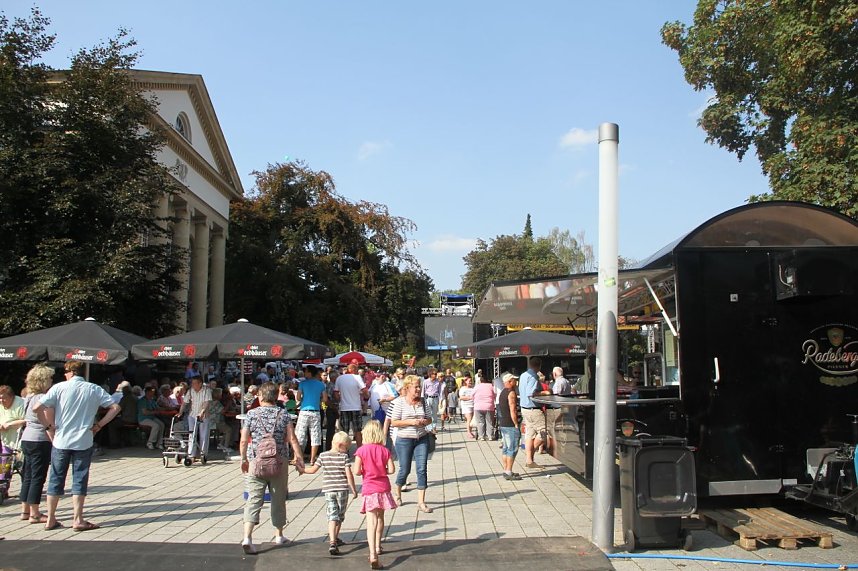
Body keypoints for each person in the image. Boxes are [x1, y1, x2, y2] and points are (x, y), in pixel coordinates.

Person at [32, 360, 121, 532]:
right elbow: (115, 407)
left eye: (65, 371)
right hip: (83, 439)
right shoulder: (93, 389)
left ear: (71, 372)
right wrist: (99, 425)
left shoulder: (59, 388)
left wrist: (49, 426)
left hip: (61, 440)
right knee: (79, 478)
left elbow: (37, 408)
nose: (64, 374)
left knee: (56, 478)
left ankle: (50, 518)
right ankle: (78, 518)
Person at [239, 382, 305, 554]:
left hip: (256, 462)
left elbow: (244, 439)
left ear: (260, 396)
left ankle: (247, 537)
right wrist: (298, 458)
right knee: (278, 499)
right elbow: (292, 439)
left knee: (253, 499)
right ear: (276, 396)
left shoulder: (251, 414)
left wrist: (243, 458)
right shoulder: (283, 414)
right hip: (279, 462)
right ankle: (278, 534)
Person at [304, 431, 358, 556]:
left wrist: (302, 469)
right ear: (340, 445)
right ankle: (335, 538)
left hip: (328, 490)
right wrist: (353, 489)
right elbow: (349, 475)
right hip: (342, 490)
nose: (346, 451)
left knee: (332, 515)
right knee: (340, 515)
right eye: (346, 448)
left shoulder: (323, 455)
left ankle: (332, 541)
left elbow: (313, 470)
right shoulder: (344, 457)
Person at [353, 420, 397, 570]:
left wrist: (366, 470)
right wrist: (382, 468)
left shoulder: (361, 451)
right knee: (380, 518)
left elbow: (357, 471)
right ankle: (378, 545)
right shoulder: (385, 450)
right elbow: (391, 470)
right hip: (383, 488)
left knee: (370, 521)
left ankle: (372, 554)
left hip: (369, 488)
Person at [388, 375, 433, 513]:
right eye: (416, 387)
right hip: (404, 439)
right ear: (407, 388)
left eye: (420, 386)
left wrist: (425, 422)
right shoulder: (399, 402)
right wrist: (411, 422)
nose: (419, 389)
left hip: (422, 438)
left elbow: (430, 418)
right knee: (405, 469)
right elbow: (394, 422)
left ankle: (421, 502)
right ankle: (398, 492)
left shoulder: (423, 402)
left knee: (421, 468)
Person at [18, 365, 53, 522]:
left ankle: (25, 511)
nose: (52, 381)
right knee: (38, 476)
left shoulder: (28, 396)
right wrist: (51, 428)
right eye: (50, 378)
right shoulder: (41, 398)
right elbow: (45, 418)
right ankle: (35, 513)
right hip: (39, 439)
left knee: (28, 475)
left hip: (27, 438)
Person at [295, 364, 327, 465]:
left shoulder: (302, 384)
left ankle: (297, 458)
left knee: (300, 435)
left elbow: (298, 398)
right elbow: (325, 399)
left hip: (304, 411)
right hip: (316, 412)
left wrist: (304, 398)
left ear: (309, 372)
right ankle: (313, 459)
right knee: (315, 435)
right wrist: (318, 400)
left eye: (305, 371)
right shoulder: (321, 384)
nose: (304, 373)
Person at [519, 356, 546, 469]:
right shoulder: (533, 376)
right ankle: (530, 454)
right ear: (539, 366)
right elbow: (531, 393)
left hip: (524, 408)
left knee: (530, 434)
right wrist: (545, 392)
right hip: (533, 409)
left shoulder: (523, 375)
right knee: (545, 432)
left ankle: (529, 460)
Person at [0, 384, 26, 499]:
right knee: (4, 460)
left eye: (3, 398)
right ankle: (3, 487)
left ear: (11, 397)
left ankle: (4, 486)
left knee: (7, 460)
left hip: (18, 439)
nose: (1, 400)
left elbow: (26, 420)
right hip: (3, 438)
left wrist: (10, 424)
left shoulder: (21, 403)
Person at [334, 362, 367, 447]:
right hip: (355, 407)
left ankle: (344, 451)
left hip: (344, 407)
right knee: (357, 430)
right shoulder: (357, 377)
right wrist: (366, 397)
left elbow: (336, 394)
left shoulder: (339, 378)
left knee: (344, 431)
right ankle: (359, 450)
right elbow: (364, 390)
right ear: (354, 370)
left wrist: (341, 399)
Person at [179, 375, 212, 461]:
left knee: (203, 435)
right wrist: (180, 412)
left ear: (200, 383)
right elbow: (184, 403)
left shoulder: (206, 391)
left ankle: (203, 454)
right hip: (192, 415)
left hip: (204, 416)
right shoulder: (190, 391)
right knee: (192, 435)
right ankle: (191, 454)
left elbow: (207, 402)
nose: (193, 385)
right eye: (192, 383)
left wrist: (202, 411)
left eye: (194, 383)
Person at [497, 372, 522, 481]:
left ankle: (506, 469)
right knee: (512, 448)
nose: (516, 382)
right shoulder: (511, 393)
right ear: (510, 382)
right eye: (514, 380)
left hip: (503, 422)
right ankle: (508, 471)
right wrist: (516, 423)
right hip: (510, 424)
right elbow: (513, 410)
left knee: (506, 448)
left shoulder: (502, 392)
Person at [137, 386, 165, 450]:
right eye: (151, 392)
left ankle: (159, 443)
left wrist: (167, 408)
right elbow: (145, 412)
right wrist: (155, 412)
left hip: (152, 418)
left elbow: (158, 408)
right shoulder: (142, 401)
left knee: (162, 424)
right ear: (146, 392)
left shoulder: (152, 400)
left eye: (153, 392)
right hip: (143, 419)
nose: (152, 393)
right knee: (156, 426)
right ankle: (150, 442)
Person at [472, 374, 497, 441]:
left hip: (478, 406)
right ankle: (490, 436)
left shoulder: (477, 387)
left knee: (480, 422)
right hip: (489, 406)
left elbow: (472, 395)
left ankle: (481, 436)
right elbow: (495, 395)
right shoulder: (491, 386)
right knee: (490, 422)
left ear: (480, 381)